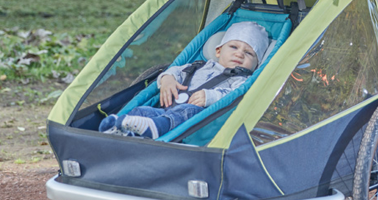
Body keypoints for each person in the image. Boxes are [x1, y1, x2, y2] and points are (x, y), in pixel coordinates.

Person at [99, 22, 270, 139]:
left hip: (198, 121)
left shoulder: (242, 80)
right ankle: (119, 128)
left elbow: (236, 95)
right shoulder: (197, 66)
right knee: (141, 110)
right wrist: (167, 80)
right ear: (218, 51)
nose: (239, 54)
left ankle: (155, 128)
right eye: (233, 47)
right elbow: (174, 70)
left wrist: (209, 96)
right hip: (166, 111)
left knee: (187, 110)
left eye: (249, 53)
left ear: (256, 65)